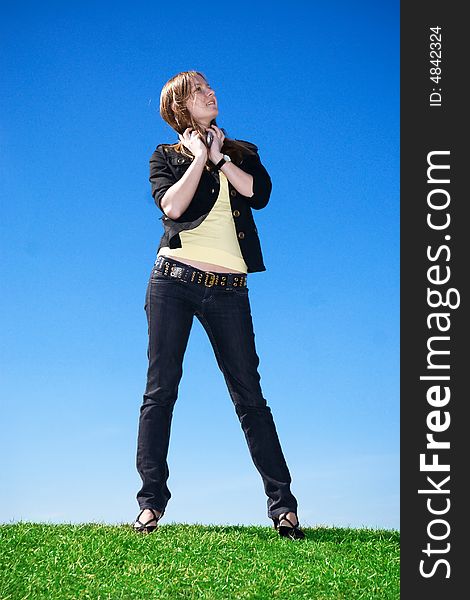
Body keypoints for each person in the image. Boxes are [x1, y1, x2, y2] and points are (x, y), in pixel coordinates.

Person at [133, 70, 305, 540]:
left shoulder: (241, 151)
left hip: (230, 289)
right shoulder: (164, 155)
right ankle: (150, 505)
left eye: (210, 88)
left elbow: (259, 193)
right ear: (181, 108)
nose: (211, 93)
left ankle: (283, 507)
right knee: (161, 390)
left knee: (250, 395)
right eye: (199, 91)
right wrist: (194, 160)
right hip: (173, 281)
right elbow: (171, 207)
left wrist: (219, 157)